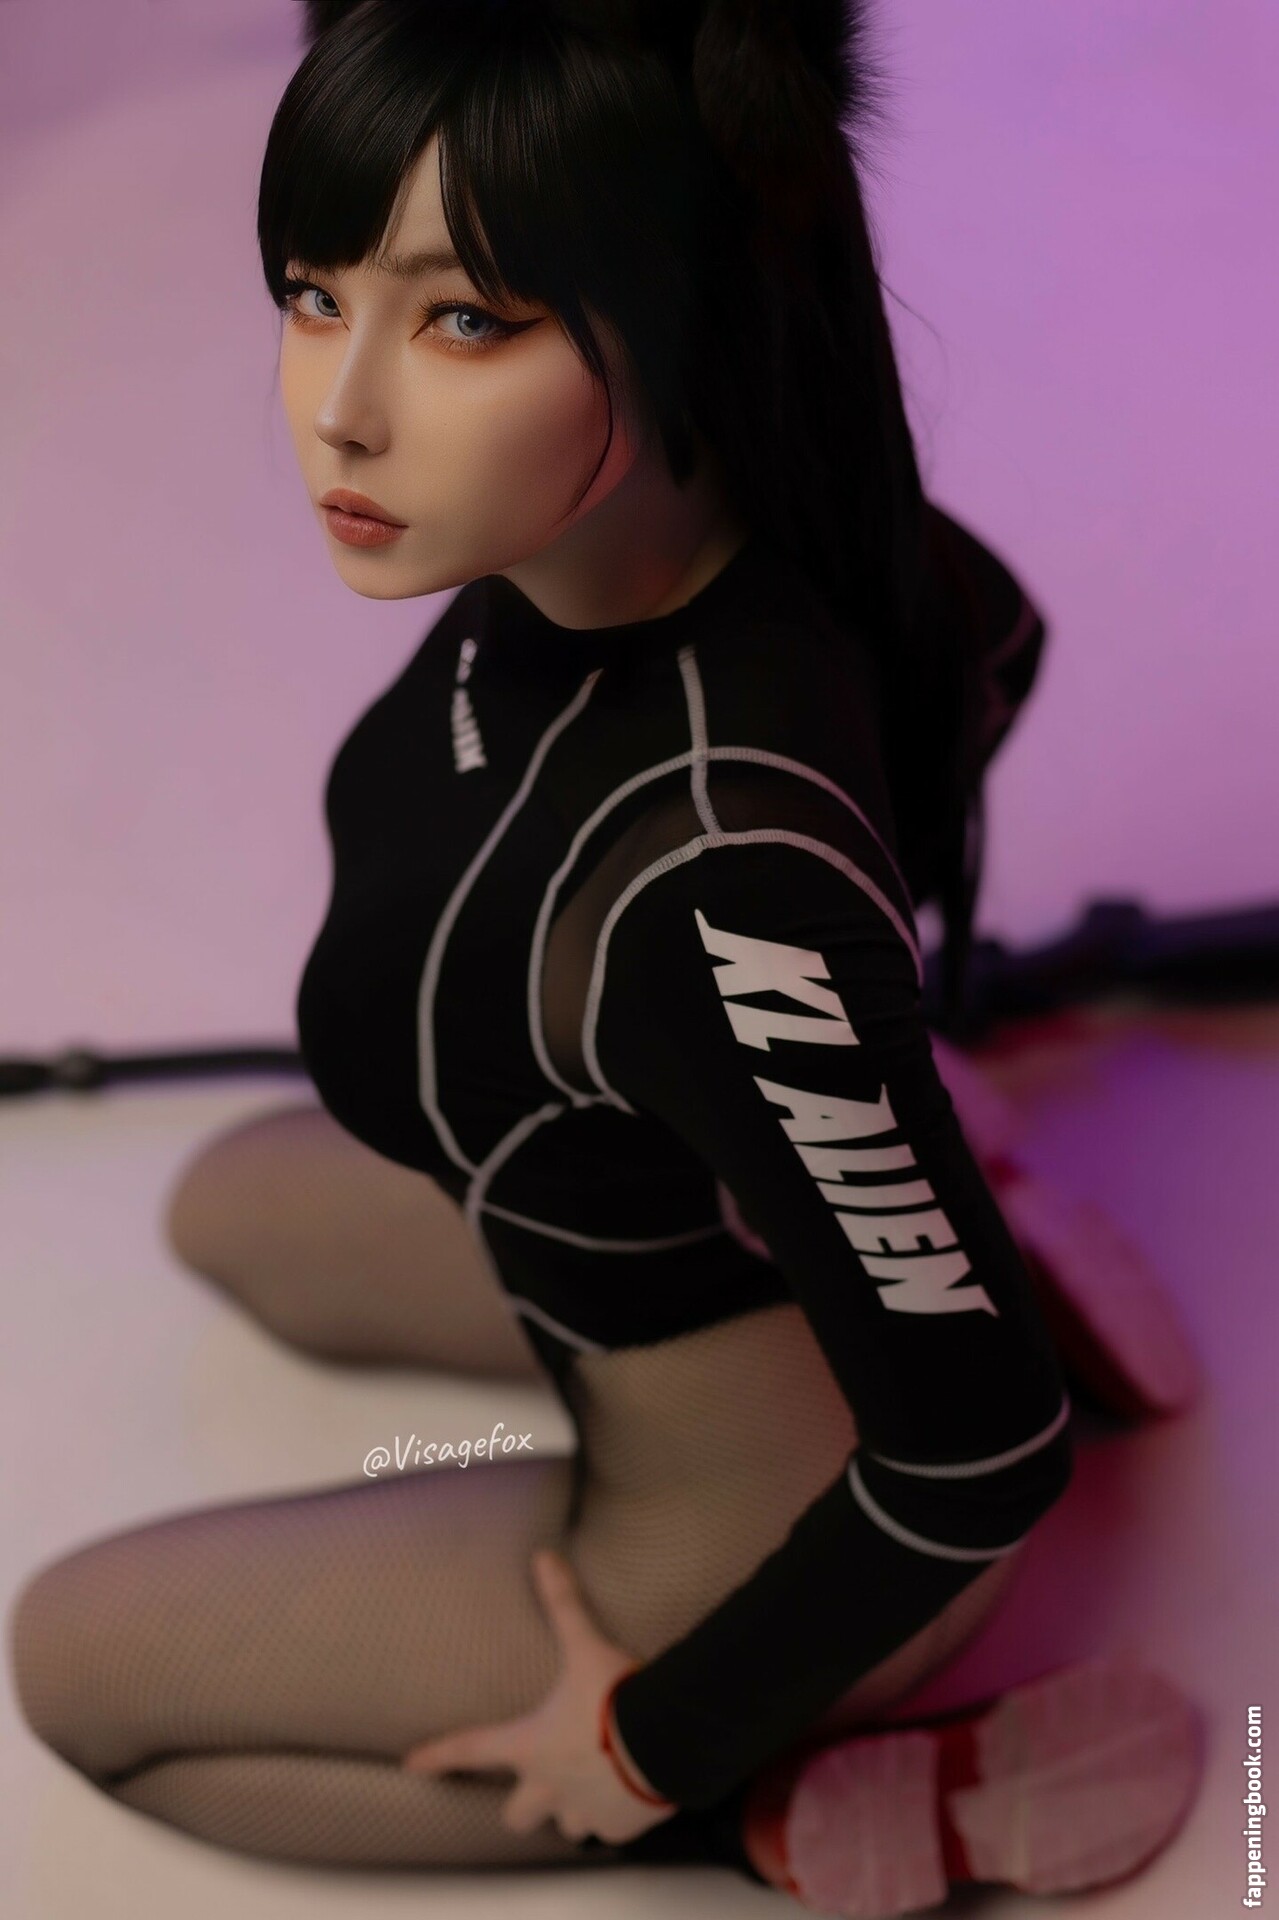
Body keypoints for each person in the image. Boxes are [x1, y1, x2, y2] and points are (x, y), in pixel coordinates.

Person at [7, 1, 1202, 1911]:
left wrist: (661, 1735)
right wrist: (849, 1103)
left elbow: (980, 1456)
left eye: (467, 320)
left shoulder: (720, 891)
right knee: (227, 1213)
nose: (340, 408)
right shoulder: (763, 525)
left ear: (685, 323)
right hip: (680, 1246)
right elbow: (991, 645)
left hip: (753, 1507)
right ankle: (966, 1202)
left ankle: (799, 1800)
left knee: (73, 1670)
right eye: (315, 294)